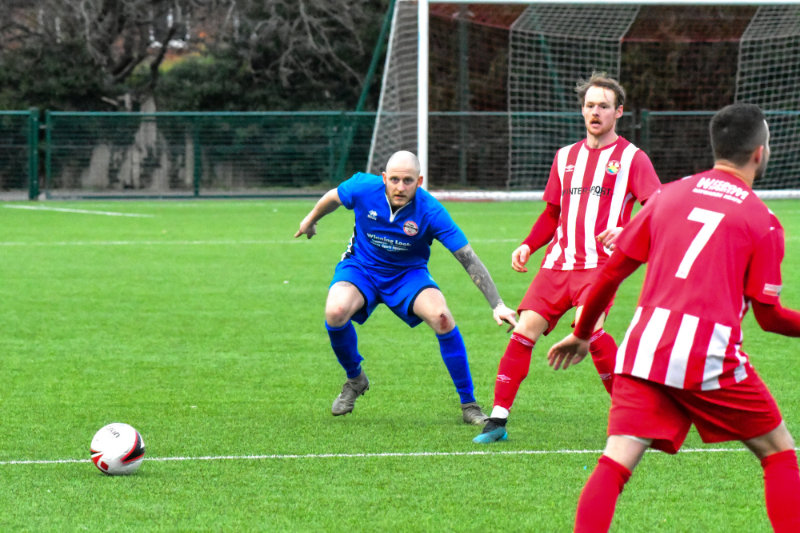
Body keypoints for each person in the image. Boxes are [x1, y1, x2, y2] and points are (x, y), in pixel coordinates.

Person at [547, 103, 800, 532]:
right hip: (708, 355)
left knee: (615, 463)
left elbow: (610, 273)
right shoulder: (764, 221)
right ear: (760, 153)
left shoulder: (668, 195)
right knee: (779, 453)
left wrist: (583, 332)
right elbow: (769, 317)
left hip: (644, 348)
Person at [474, 73, 661, 443]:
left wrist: (626, 230)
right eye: (590, 105)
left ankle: (634, 418)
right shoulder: (565, 157)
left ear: (618, 112)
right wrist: (528, 245)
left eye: (604, 106)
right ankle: (497, 420)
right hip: (557, 265)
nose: (595, 112)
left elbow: (657, 206)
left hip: (600, 266)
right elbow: (551, 215)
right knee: (523, 332)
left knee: (592, 333)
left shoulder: (632, 158)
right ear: (582, 110)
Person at [295, 150, 518, 424]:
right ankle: (355, 379)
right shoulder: (362, 187)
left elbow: (468, 258)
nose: (400, 187)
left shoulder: (431, 211)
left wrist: (497, 304)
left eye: (408, 181)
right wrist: (311, 219)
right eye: (395, 180)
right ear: (384, 178)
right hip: (362, 268)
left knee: (442, 318)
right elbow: (333, 197)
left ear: (419, 181)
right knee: (335, 312)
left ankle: (469, 405)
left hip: (407, 275)